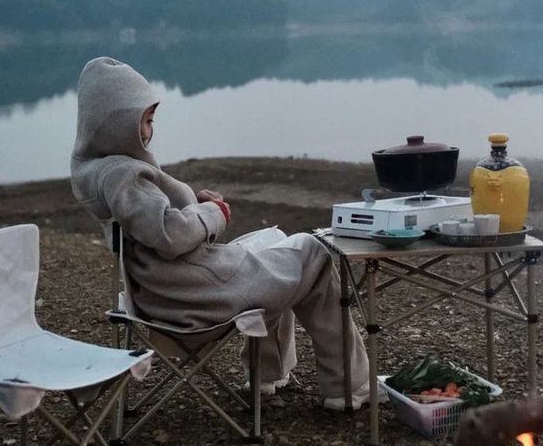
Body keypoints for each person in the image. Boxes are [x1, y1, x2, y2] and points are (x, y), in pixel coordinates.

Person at [70, 56, 370, 410]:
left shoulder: (103, 171)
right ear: (114, 122)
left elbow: (152, 222)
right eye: (144, 120)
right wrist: (214, 214)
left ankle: (267, 375)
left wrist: (192, 203)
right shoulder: (123, 174)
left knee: (274, 242)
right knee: (312, 253)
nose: (149, 130)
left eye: (151, 120)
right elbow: (170, 235)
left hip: (168, 289)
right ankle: (349, 388)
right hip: (188, 300)